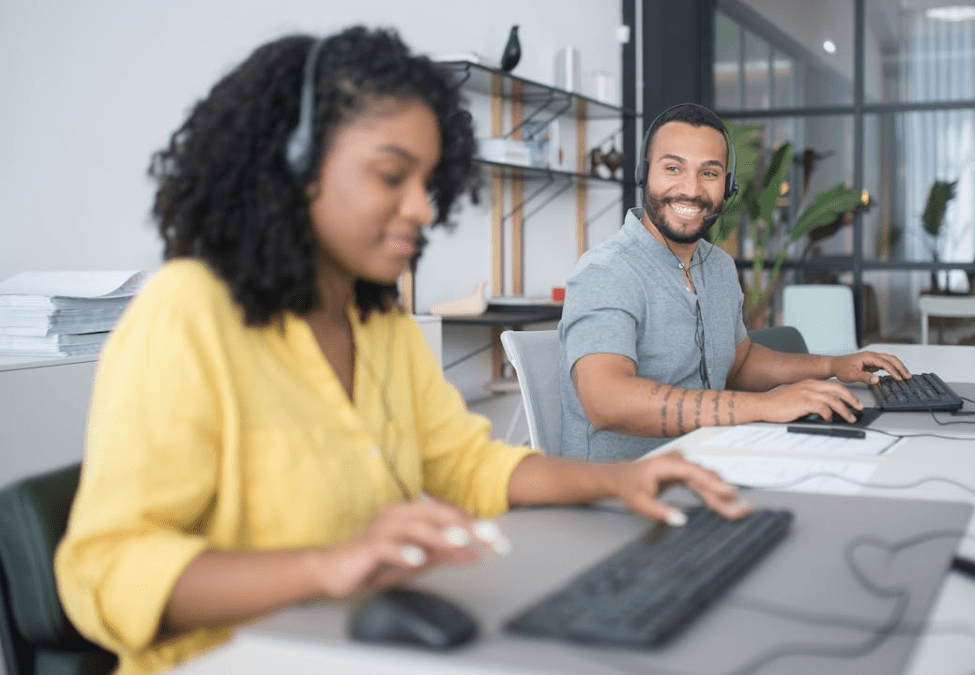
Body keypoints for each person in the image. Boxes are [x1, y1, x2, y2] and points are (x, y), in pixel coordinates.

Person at [54, 28, 748, 675]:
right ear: (295, 164)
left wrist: (617, 481)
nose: (422, 208)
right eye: (392, 176)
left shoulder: (376, 321)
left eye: (428, 182)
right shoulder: (188, 314)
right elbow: (104, 573)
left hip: (358, 645)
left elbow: (466, 464)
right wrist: (328, 566)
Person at [558, 103, 912, 462]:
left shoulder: (718, 267)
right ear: (644, 173)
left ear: (727, 186)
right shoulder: (607, 271)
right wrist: (763, 406)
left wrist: (832, 367)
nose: (691, 189)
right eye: (673, 168)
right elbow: (607, 401)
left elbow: (740, 365)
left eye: (709, 173)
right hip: (624, 484)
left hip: (712, 462)